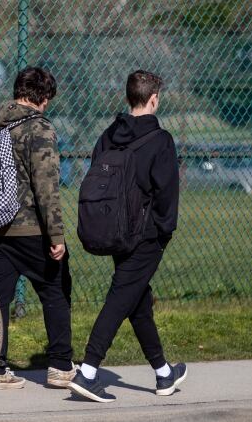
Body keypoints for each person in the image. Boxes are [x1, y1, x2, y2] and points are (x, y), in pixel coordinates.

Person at [68, 70, 186, 403]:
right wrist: (164, 234)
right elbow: (166, 196)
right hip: (145, 236)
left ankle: (164, 373)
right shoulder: (160, 140)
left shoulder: (109, 135)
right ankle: (88, 371)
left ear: (128, 97)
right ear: (154, 99)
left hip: (114, 230)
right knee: (122, 297)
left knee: (137, 300)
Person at [0, 67, 75, 390]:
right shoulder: (39, 127)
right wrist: (56, 235)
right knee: (55, 290)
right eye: (48, 101)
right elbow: (46, 186)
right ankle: (60, 365)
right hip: (29, 227)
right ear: (42, 97)